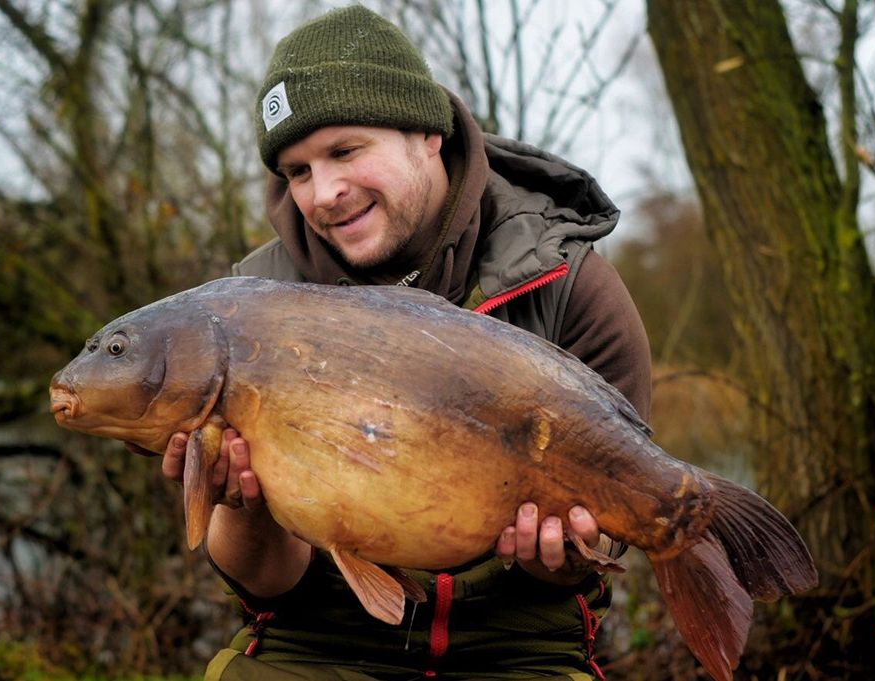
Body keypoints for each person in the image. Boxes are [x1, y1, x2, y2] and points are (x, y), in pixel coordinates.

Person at [160, 5, 651, 680]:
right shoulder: (245, 314)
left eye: (344, 151)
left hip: (520, 649)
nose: (324, 192)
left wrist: (560, 555)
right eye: (296, 170)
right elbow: (268, 584)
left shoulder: (568, 284)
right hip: (321, 644)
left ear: (426, 133)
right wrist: (245, 509)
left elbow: (607, 531)